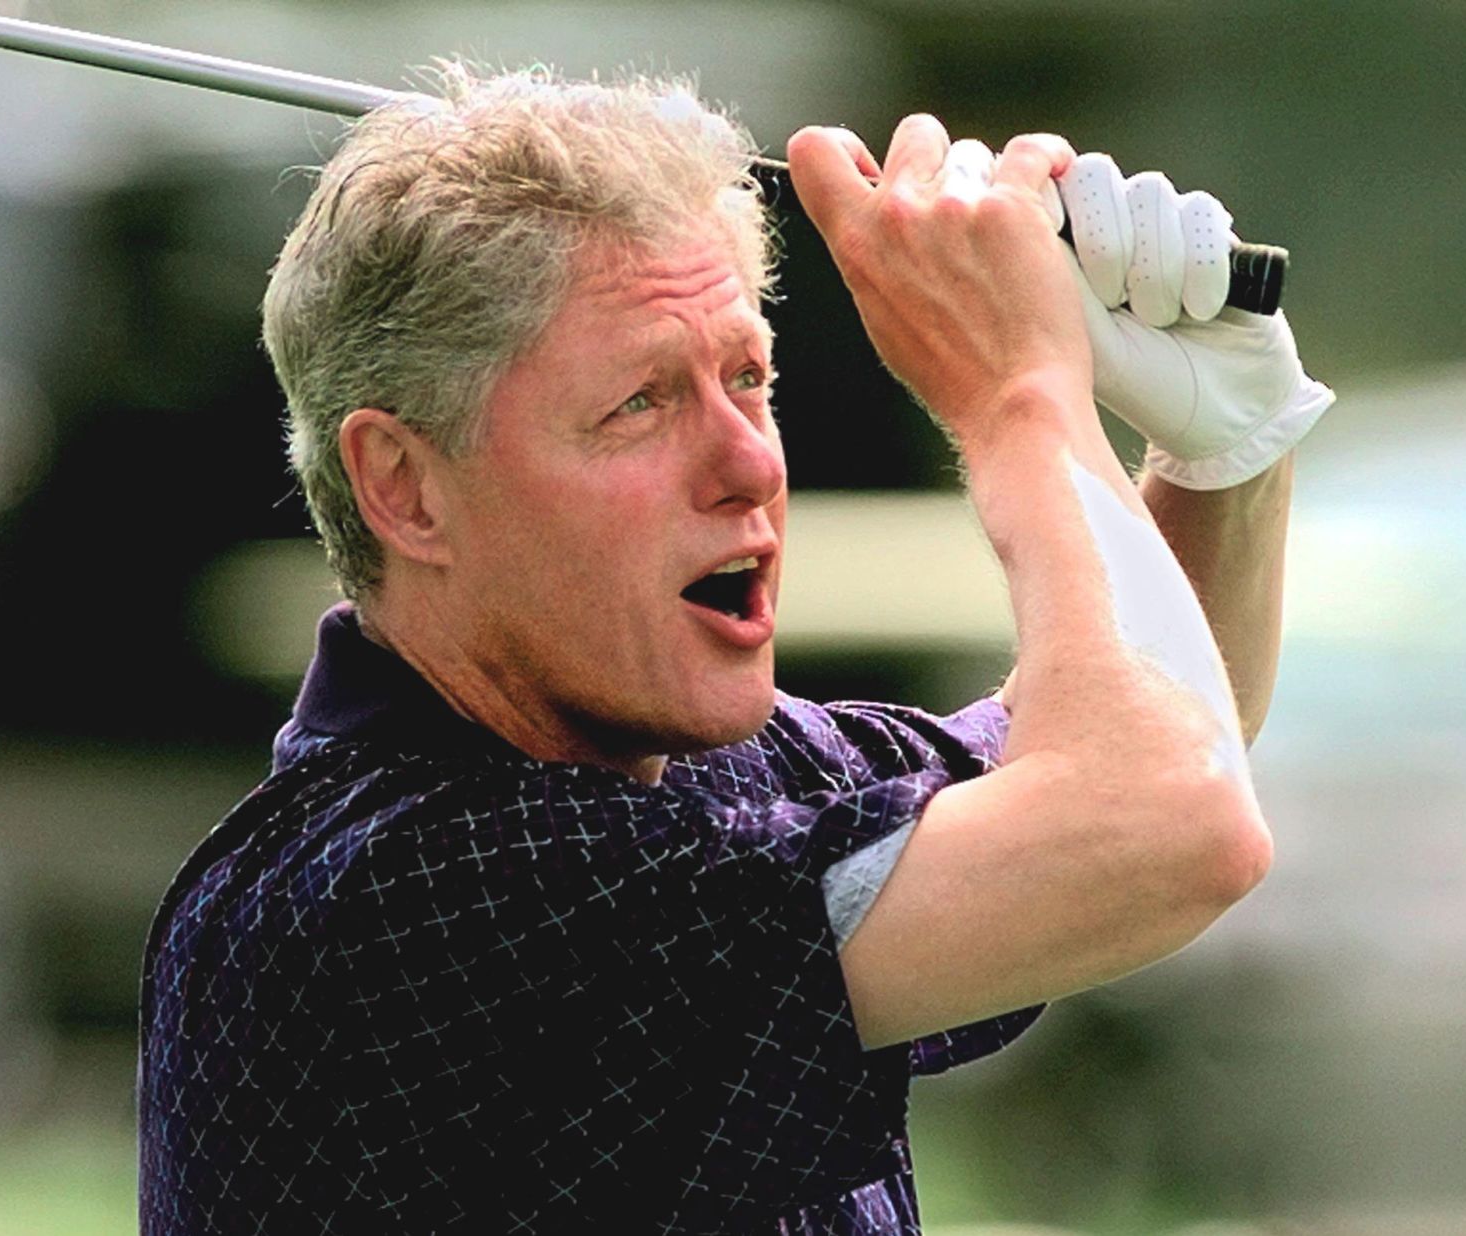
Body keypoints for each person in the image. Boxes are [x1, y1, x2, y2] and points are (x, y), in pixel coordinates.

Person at [137, 65, 1332, 1235]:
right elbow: (1156, 828)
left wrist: (1221, 457)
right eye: (640, 404)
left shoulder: (709, 773)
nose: (751, 464)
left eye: (746, 378)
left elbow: (1120, 756)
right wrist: (1020, 392)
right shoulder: (394, 905)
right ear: (404, 488)